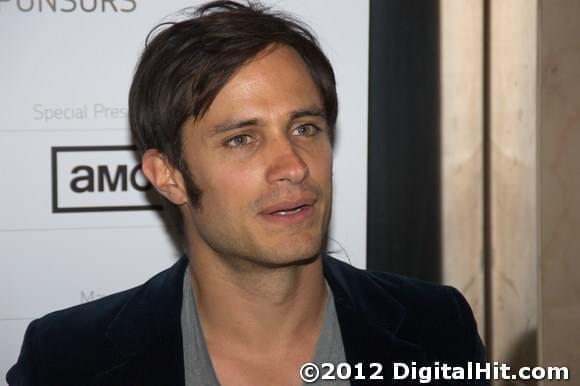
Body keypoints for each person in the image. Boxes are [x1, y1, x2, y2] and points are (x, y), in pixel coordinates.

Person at [7, 1, 486, 385]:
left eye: (305, 127)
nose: (293, 166)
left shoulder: (437, 328)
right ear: (168, 174)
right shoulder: (67, 360)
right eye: (242, 139)